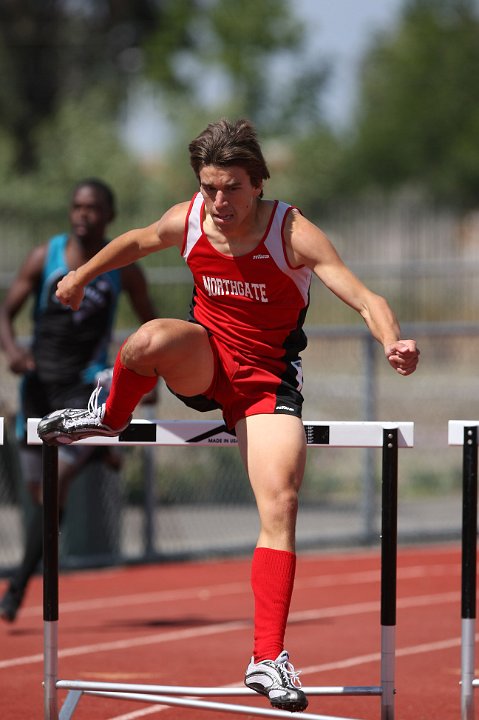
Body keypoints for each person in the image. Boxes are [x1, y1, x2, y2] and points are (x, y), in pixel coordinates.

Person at [37, 120, 419, 713]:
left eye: (233, 189)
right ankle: (110, 416)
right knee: (148, 339)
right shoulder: (190, 217)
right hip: (207, 362)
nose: (220, 203)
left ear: (258, 183)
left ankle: (268, 658)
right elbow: (138, 241)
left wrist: (392, 341)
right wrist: (81, 276)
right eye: (210, 187)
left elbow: (367, 298)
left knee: (281, 502)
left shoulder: (291, 232)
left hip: (266, 384)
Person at [0, 178, 157, 623]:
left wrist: (153, 372)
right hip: (38, 388)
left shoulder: (124, 267)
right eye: (76, 207)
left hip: (84, 389)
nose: (82, 215)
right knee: (39, 495)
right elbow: (4, 314)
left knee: (56, 486)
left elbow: (154, 323)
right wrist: (13, 353)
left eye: (92, 208)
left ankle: (13, 590)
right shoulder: (43, 258)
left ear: (110, 214)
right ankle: (98, 452)